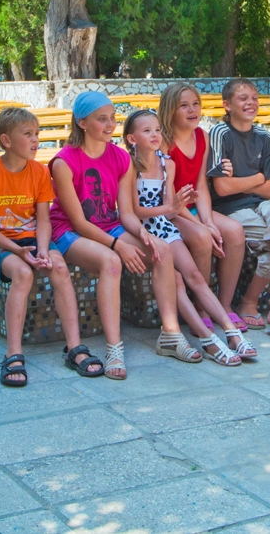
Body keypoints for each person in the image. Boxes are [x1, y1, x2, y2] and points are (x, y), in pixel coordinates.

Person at [50, 91, 194, 378]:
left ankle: (170, 334)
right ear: (82, 122)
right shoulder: (64, 162)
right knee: (112, 262)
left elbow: (126, 213)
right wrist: (119, 245)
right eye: (101, 119)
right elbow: (79, 222)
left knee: (161, 250)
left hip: (108, 225)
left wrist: (142, 235)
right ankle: (114, 348)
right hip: (69, 231)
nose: (110, 125)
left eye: (112, 118)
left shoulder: (119, 157)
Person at [0, 107, 104, 387]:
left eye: (37, 134)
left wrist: (43, 248)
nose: (36, 141)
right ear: (6, 141)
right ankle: (13, 353)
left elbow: (44, 220)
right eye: (28, 134)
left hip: (34, 239)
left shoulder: (40, 172)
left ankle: (74, 348)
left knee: (58, 266)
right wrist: (18, 251)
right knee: (22, 273)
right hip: (2, 243)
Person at [122, 109, 256, 365]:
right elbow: (136, 210)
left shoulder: (166, 163)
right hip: (141, 229)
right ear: (131, 139)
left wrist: (190, 213)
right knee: (177, 282)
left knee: (194, 276)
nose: (155, 135)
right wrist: (170, 209)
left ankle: (231, 332)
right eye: (147, 130)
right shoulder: (129, 165)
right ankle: (209, 340)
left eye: (158, 130)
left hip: (163, 226)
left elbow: (170, 203)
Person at [207, 78, 270, 332]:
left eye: (254, 98)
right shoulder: (221, 133)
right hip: (231, 209)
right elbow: (222, 188)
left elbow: (269, 189)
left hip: (263, 204)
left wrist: (246, 182)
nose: (251, 103)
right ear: (227, 105)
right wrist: (259, 177)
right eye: (243, 98)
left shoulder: (263, 136)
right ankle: (250, 302)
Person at [157, 83, 248, 330]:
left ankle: (225, 304)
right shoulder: (164, 142)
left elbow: (201, 186)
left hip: (195, 207)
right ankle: (200, 307)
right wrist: (201, 226)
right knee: (201, 237)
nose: (192, 110)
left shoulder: (202, 136)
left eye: (195, 104)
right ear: (170, 111)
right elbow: (170, 194)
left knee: (234, 231)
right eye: (183, 106)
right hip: (171, 210)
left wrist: (208, 220)